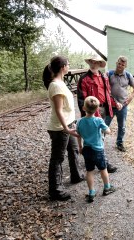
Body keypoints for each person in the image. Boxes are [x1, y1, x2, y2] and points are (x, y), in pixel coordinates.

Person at [42, 56, 85, 201]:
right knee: (58, 158)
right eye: (68, 64)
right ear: (62, 67)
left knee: (73, 150)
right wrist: (66, 128)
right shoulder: (56, 85)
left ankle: (76, 175)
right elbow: (59, 110)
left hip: (68, 124)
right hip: (60, 128)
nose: (69, 66)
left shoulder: (60, 82)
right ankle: (55, 190)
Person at [77, 54, 122, 173]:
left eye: (96, 61)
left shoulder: (104, 77)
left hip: (103, 109)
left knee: (100, 136)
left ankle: (94, 158)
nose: (93, 63)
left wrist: (115, 103)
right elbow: (82, 99)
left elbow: (108, 94)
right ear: (90, 62)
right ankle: (104, 163)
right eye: (92, 61)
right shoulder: (84, 78)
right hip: (92, 111)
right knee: (97, 136)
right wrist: (87, 114)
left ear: (99, 64)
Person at [76, 96, 116, 203]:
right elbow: (107, 131)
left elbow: (78, 135)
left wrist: (80, 147)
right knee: (103, 169)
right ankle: (107, 187)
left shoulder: (79, 122)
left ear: (84, 108)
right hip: (98, 150)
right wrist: (106, 129)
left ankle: (91, 192)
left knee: (89, 171)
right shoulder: (98, 120)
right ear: (97, 109)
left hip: (87, 150)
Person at [106, 56, 134, 152]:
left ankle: (119, 143)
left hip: (123, 106)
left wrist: (130, 99)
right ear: (116, 63)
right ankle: (100, 143)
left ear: (125, 66)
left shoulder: (128, 75)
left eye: (123, 64)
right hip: (110, 105)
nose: (120, 66)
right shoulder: (109, 74)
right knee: (104, 125)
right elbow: (105, 89)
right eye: (119, 63)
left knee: (122, 126)